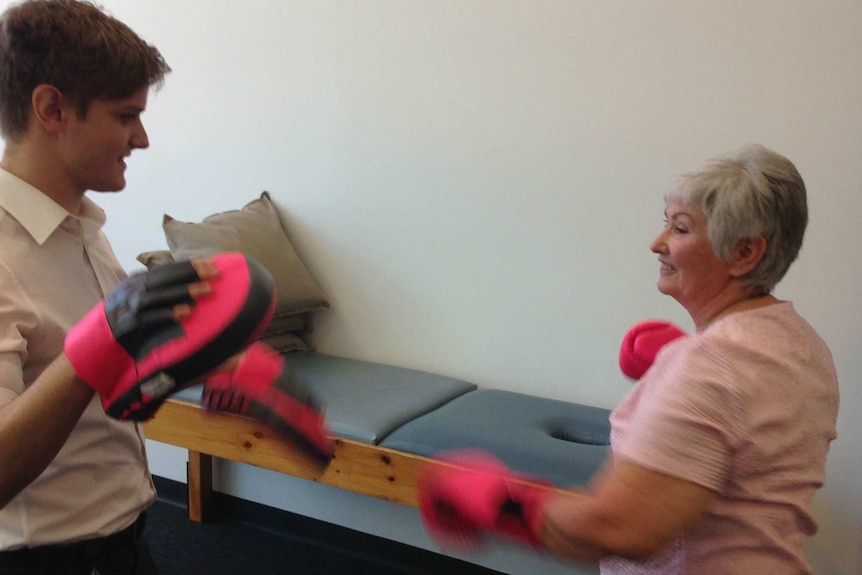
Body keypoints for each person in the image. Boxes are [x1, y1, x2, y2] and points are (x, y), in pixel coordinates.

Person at [0, 2, 331, 573]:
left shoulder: (83, 228)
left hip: (127, 542)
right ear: (52, 108)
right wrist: (94, 346)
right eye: (126, 116)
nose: (143, 138)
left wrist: (231, 371)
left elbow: (121, 377)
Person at [417, 144, 840, 575]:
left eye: (680, 228)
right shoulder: (800, 343)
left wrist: (503, 503)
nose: (657, 243)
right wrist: (675, 360)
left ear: (744, 253)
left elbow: (622, 529)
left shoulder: (709, 367)